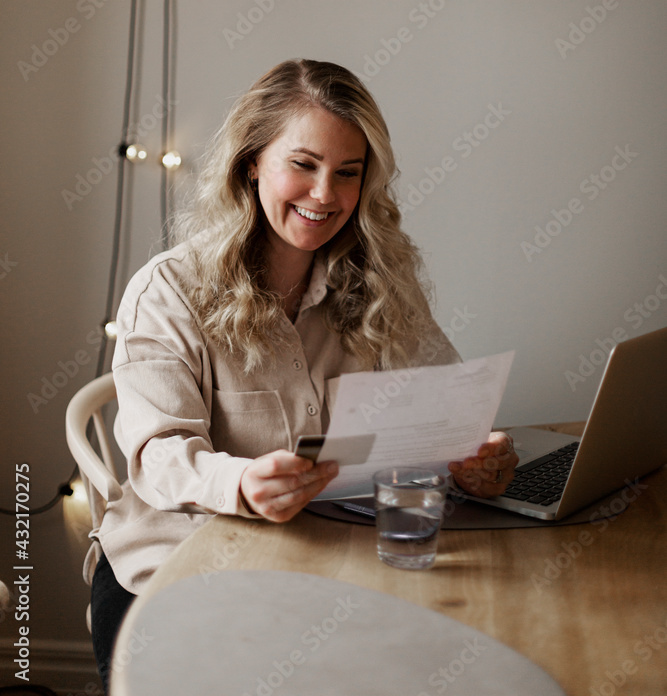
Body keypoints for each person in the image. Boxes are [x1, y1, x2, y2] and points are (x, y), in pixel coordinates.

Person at [88, 58, 518, 691]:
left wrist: (479, 455)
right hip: (177, 570)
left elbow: (447, 404)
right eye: (304, 165)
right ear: (251, 162)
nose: (326, 195)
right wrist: (242, 482)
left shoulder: (380, 283)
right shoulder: (170, 290)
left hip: (326, 563)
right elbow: (156, 457)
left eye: (349, 173)